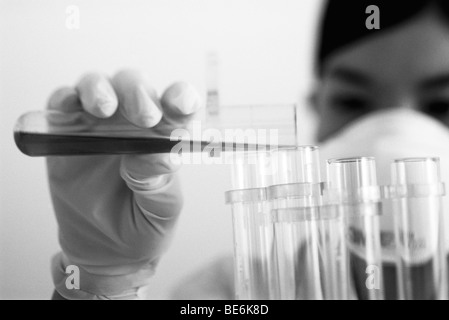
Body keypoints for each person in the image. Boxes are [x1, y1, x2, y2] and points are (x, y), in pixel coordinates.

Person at [48, 0, 449, 299]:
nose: (389, 138)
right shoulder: (234, 293)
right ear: (316, 109)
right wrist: (101, 280)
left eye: (441, 106)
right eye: (353, 102)